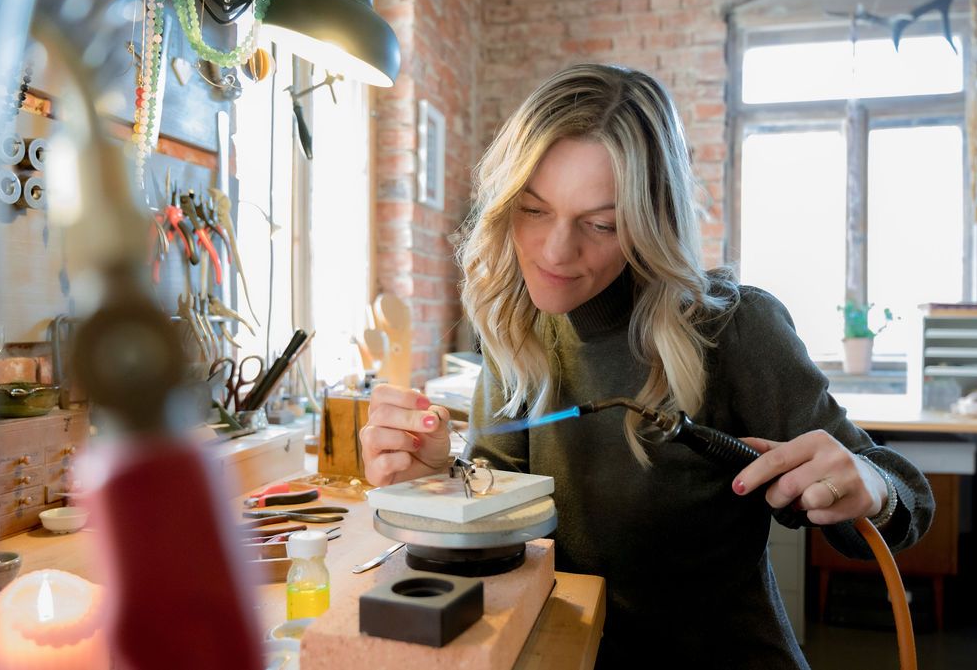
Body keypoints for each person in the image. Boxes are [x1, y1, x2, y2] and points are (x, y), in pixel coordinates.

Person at [360, 63, 933, 668]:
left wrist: (872, 489)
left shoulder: (736, 330)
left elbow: (909, 505)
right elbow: (501, 534)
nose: (556, 252)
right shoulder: (520, 330)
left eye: (600, 224)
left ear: (650, 222)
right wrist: (439, 485)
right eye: (533, 210)